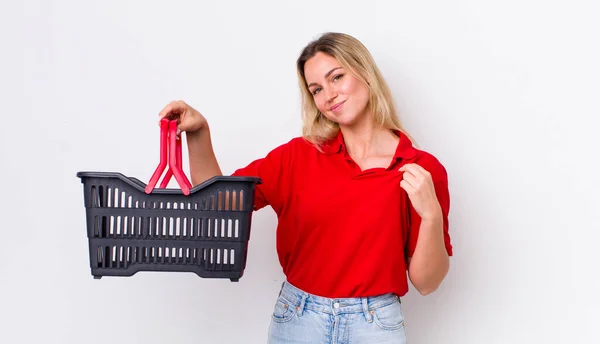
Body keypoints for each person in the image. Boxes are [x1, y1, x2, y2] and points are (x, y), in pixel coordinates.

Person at [158, 32, 453, 344]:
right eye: (317, 89)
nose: (329, 95)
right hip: (298, 319)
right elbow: (217, 203)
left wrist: (431, 215)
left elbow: (426, 283)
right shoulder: (296, 157)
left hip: (375, 325)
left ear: (365, 73)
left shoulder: (419, 169)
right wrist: (199, 133)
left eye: (336, 77)